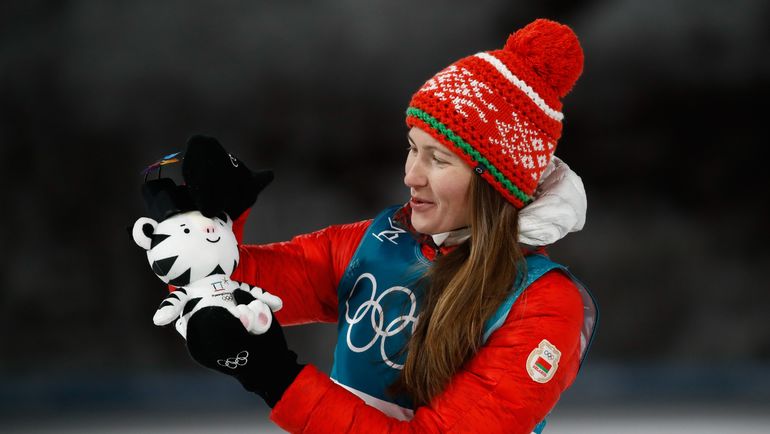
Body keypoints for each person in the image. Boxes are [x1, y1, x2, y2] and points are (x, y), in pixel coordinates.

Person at [178, 18, 598, 434]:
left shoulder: (543, 305)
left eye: (438, 159)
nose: (411, 175)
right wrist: (214, 219)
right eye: (413, 149)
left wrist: (277, 378)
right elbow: (219, 282)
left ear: (494, 182)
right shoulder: (375, 243)